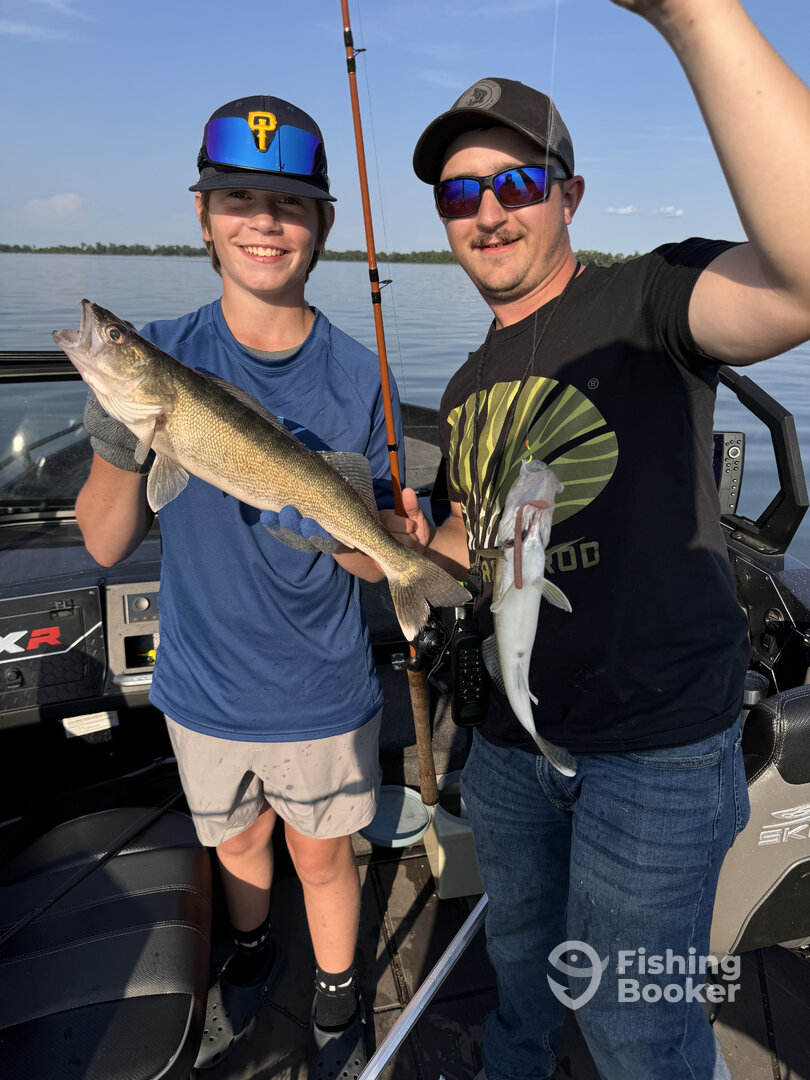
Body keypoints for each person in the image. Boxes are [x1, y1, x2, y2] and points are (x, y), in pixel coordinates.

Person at [382, 2, 810, 1078]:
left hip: (656, 755)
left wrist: (694, 16)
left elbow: (803, 277)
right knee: (521, 966)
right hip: (512, 747)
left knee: (635, 1027)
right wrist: (399, 552)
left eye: (517, 184)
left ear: (569, 196)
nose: (488, 212)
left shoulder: (648, 301)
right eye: (460, 195)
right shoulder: (467, 385)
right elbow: (470, 543)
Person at [75, 94, 404, 1075]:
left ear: (322, 224)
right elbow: (105, 541)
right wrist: (129, 430)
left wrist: (371, 547)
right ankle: (255, 944)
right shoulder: (164, 351)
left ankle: (339, 992)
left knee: (323, 854)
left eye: (289, 203)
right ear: (203, 216)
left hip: (321, 687)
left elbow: (365, 547)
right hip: (204, 686)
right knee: (239, 843)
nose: (264, 221)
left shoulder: (359, 374)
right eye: (238, 200)